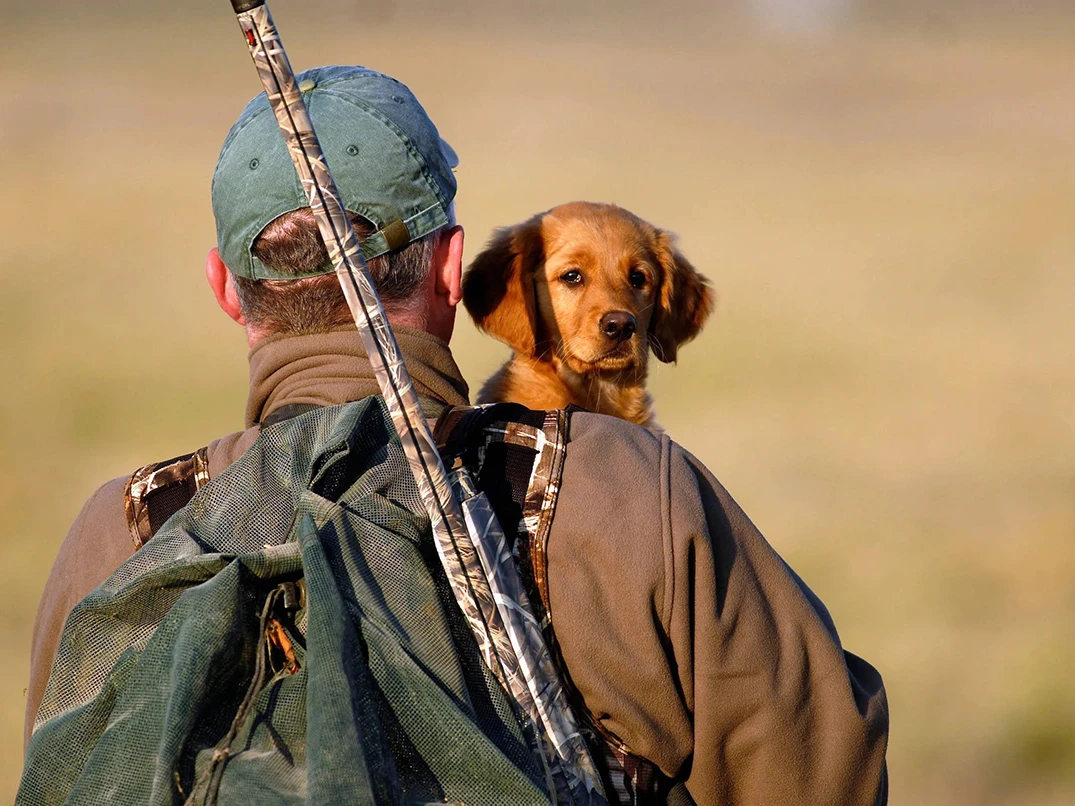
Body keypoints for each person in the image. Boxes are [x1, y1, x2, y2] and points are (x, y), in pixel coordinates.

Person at [25, 65, 888, 804]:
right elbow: (819, 763)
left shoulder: (120, 530)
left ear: (224, 287)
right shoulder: (632, 493)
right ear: (450, 269)